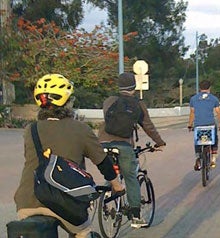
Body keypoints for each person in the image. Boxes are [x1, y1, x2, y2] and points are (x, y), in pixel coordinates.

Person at [14, 74, 124, 238]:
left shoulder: (31, 129)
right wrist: (116, 185)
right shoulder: (80, 129)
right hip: (66, 201)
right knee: (83, 232)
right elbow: (102, 161)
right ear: (67, 102)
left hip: (28, 200)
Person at [98, 72, 166, 228]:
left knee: (111, 172)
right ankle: (135, 216)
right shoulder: (138, 104)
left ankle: (107, 195)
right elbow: (147, 126)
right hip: (123, 146)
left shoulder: (109, 101)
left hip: (103, 144)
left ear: (119, 86)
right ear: (134, 87)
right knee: (130, 177)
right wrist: (159, 142)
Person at [188, 80, 220, 170]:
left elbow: (192, 113)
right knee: (214, 138)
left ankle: (198, 157)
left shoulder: (193, 99)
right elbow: (219, 113)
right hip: (210, 124)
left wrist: (190, 124)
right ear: (209, 88)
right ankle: (213, 156)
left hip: (198, 125)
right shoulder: (214, 99)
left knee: (197, 140)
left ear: (199, 88)